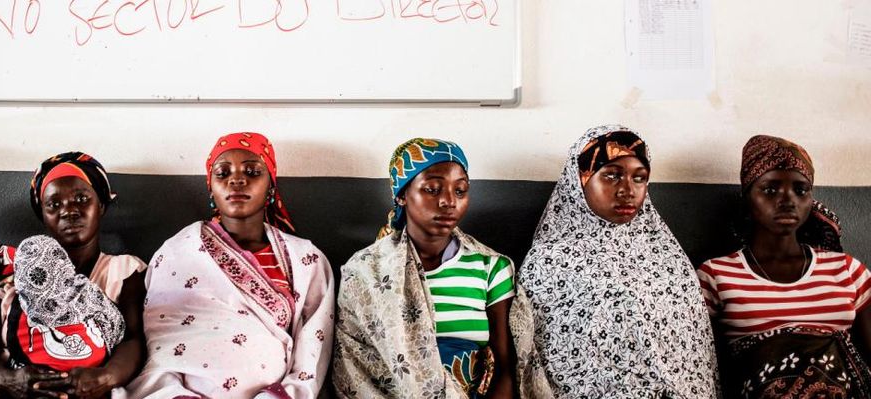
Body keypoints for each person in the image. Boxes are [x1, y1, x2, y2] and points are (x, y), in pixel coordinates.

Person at [509, 125, 718, 398]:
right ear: (580, 180)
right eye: (611, 176)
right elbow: (540, 360)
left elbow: (694, 356)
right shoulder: (549, 260)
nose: (628, 190)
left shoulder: (668, 255)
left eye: (640, 178)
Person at [121, 132, 334, 399]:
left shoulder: (306, 259)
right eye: (223, 173)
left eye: (252, 172)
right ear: (210, 187)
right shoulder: (177, 251)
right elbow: (161, 345)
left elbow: (313, 348)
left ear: (271, 187)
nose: (237, 180)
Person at [333, 138, 517, 399]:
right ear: (402, 195)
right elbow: (356, 367)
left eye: (460, 191)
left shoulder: (490, 267)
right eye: (432, 189)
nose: (449, 201)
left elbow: (505, 369)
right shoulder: (365, 270)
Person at [696, 135, 871, 398]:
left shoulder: (847, 271)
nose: (788, 200)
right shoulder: (715, 276)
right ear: (747, 197)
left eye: (800, 190)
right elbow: (703, 369)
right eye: (770, 189)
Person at [0, 151, 148, 399]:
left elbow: (134, 340)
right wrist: (10, 381)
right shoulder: (12, 272)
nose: (68, 211)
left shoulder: (124, 272)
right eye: (54, 204)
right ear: (43, 214)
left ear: (101, 206)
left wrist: (105, 377)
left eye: (82, 199)